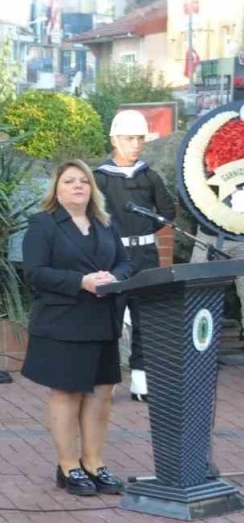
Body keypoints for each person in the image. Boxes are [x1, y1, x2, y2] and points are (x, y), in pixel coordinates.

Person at [21, 161, 133, 497]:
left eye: (84, 181)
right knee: (67, 392)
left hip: (102, 319)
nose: (78, 186)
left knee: (102, 393)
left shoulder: (104, 223)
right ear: (56, 188)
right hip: (62, 321)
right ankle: (68, 465)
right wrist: (79, 281)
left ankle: (94, 463)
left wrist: (116, 278)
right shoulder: (43, 225)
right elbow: (35, 272)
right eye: (69, 181)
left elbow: (126, 262)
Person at [92, 110, 175, 403]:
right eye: (129, 138)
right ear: (114, 139)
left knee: (146, 318)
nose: (136, 144)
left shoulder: (149, 175)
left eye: (140, 138)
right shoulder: (99, 177)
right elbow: (91, 217)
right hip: (114, 257)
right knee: (109, 319)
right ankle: (107, 378)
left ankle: (141, 381)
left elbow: (167, 211)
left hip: (146, 254)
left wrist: (143, 227)